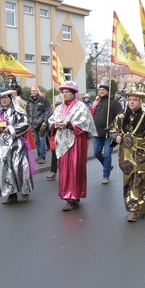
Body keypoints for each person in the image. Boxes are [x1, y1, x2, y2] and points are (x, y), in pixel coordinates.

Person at [110, 86, 145, 222]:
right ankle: (134, 207)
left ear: (141, 101)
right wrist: (116, 136)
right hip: (126, 156)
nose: (132, 102)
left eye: (135, 100)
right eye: (129, 100)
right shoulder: (122, 116)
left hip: (142, 155)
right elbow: (113, 129)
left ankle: (135, 209)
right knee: (129, 182)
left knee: (141, 181)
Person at [48, 81, 97, 211]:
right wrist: (54, 125)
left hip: (76, 143)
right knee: (65, 170)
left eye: (67, 92)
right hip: (62, 142)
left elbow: (85, 124)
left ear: (73, 93)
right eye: (62, 92)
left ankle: (73, 197)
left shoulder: (80, 107)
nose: (64, 94)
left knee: (75, 169)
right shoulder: (59, 108)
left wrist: (69, 124)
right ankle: (68, 195)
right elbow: (52, 120)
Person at [0, 90, 35, 204]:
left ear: (10, 98)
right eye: (1, 98)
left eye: (6, 97)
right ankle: (11, 194)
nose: (4, 100)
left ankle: (25, 191)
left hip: (17, 144)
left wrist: (10, 129)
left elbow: (25, 124)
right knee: (6, 169)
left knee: (20, 167)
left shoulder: (18, 111)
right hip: (2, 147)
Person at [91, 82, 123, 185]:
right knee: (96, 152)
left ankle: (106, 175)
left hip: (110, 134)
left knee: (107, 154)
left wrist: (111, 127)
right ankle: (108, 166)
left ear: (108, 91)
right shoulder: (97, 102)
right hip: (97, 133)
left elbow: (120, 116)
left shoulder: (114, 102)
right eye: (100, 90)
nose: (101, 91)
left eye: (103, 90)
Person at [25, 85, 52, 164]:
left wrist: (45, 122)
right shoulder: (29, 100)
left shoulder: (43, 100)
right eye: (32, 91)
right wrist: (29, 120)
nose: (33, 92)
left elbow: (48, 111)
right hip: (33, 124)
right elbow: (28, 111)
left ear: (37, 91)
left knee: (42, 140)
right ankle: (39, 156)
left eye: (34, 90)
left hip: (41, 124)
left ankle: (42, 157)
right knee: (37, 141)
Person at [46, 95, 62, 180]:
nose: (58, 107)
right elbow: (49, 126)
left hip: (63, 138)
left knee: (63, 156)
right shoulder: (52, 116)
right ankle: (53, 171)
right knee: (54, 155)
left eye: (59, 105)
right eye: (56, 105)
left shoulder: (64, 114)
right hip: (53, 138)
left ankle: (64, 172)